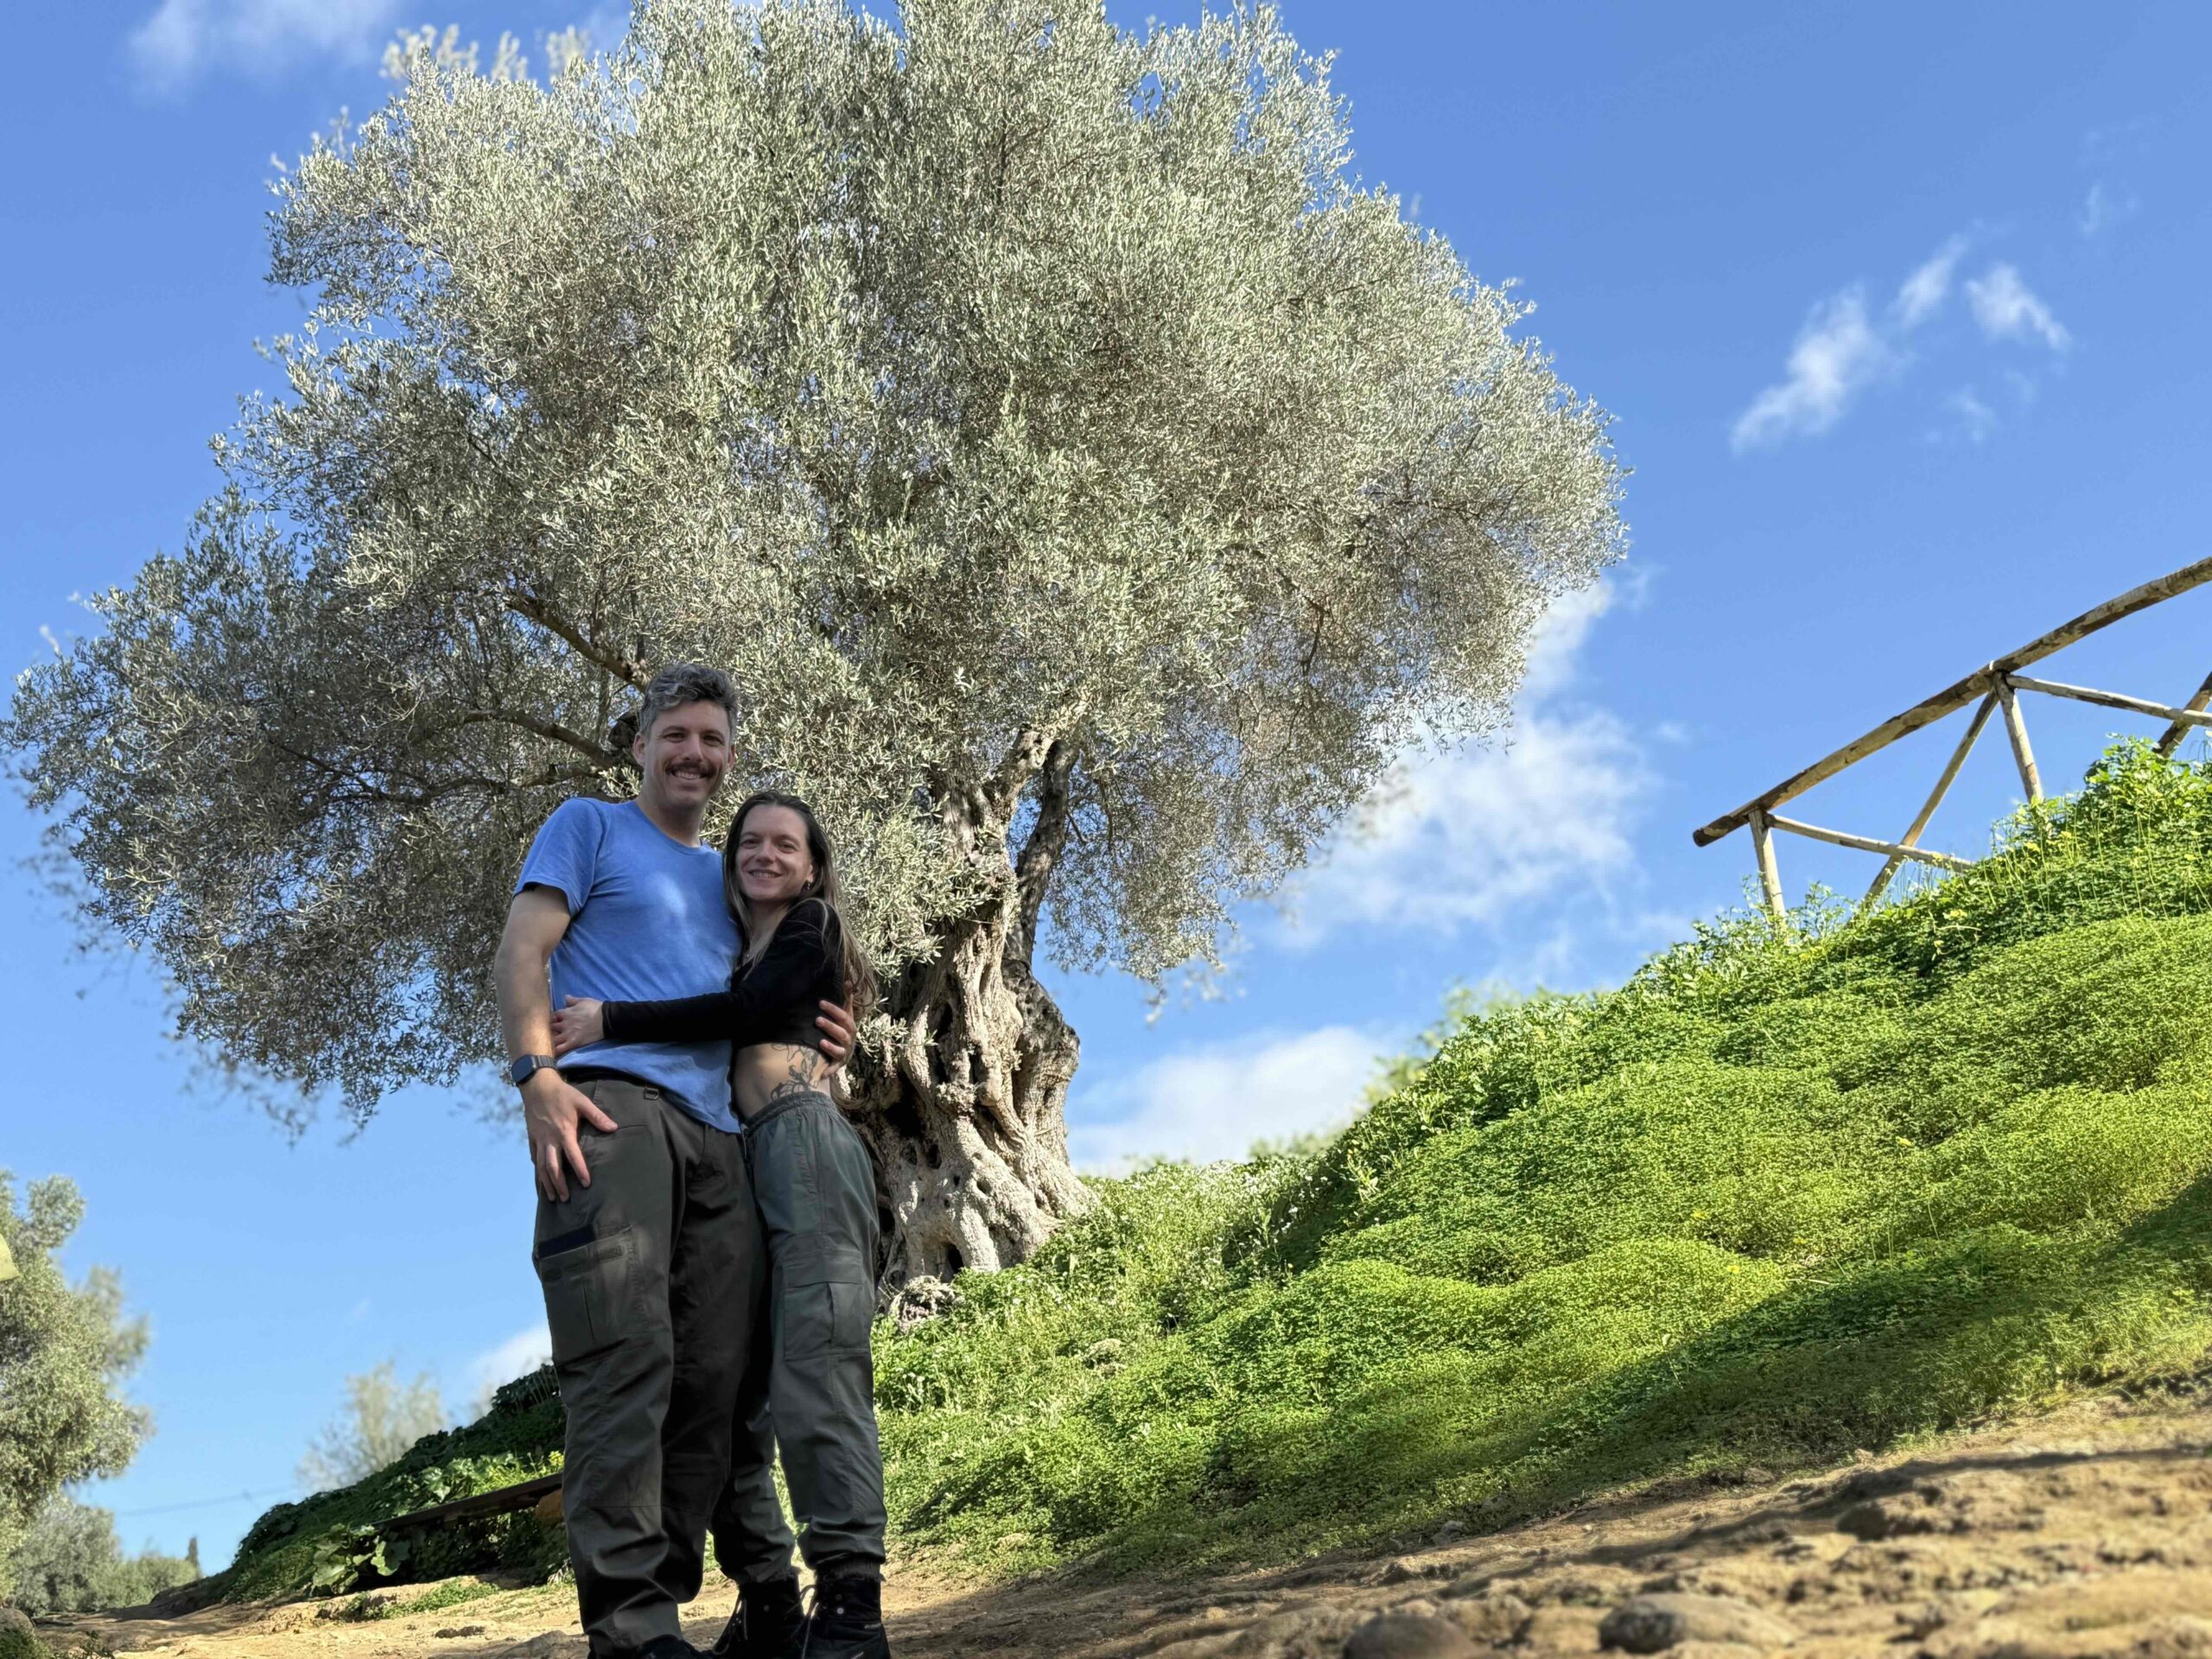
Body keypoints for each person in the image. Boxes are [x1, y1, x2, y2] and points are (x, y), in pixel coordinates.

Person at [494, 664, 857, 1659]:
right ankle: (632, 1628)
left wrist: (834, 1027)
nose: (694, 754)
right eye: (676, 735)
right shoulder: (589, 827)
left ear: (729, 756)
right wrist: (534, 1075)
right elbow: (523, 949)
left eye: (712, 740)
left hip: (724, 1140)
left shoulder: (732, 872)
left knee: (718, 1379)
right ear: (642, 743)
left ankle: (688, 1599)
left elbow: (774, 984)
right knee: (626, 1361)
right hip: (612, 1114)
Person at [553, 791, 893, 1659]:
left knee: (818, 1370)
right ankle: (771, 1599)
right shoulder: (737, 942)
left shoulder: (812, 924)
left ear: (814, 865)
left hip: (803, 1145)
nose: (766, 854)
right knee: (732, 1399)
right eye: (750, 840)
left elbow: (747, 1017)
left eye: (787, 843)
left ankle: (851, 1604)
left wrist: (608, 1020)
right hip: (742, 1156)